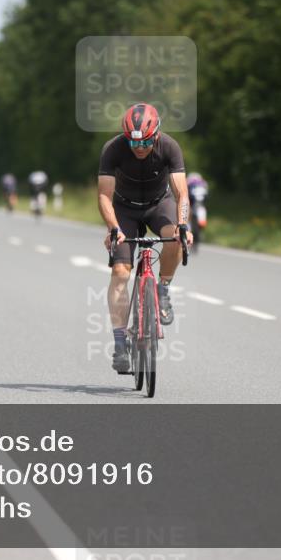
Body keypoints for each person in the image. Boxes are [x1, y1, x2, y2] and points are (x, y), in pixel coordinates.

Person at [98, 103, 192, 373]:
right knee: (120, 272)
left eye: (146, 142)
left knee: (175, 237)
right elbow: (104, 195)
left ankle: (163, 289)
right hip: (124, 208)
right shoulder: (113, 149)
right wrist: (113, 228)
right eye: (134, 142)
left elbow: (181, 193)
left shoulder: (170, 147)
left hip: (158, 205)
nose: (140, 148)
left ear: (157, 134)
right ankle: (119, 344)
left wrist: (183, 224)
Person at [187, 171, 209, 251]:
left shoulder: (189, 183)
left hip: (192, 206)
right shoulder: (204, 184)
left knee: (187, 222)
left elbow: (186, 196)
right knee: (201, 223)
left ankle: (189, 234)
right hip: (201, 206)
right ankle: (199, 233)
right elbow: (207, 197)